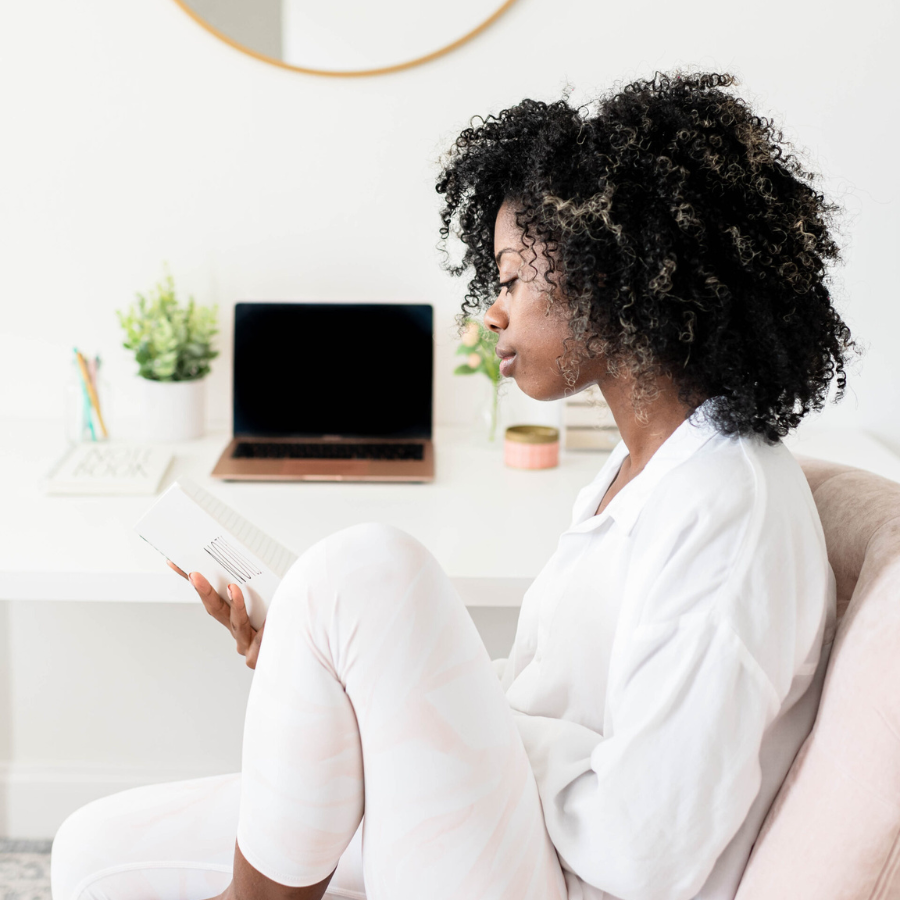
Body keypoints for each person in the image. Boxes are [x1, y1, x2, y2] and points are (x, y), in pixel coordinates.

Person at [50, 72, 855, 900]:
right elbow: (549, 699)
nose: (491, 313)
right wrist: (341, 675)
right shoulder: (635, 475)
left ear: (614, 273)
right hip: (509, 833)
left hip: (568, 880)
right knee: (87, 851)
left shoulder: (729, 506)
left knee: (368, 570)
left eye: (510, 279)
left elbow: (647, 853)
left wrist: (466, 723)